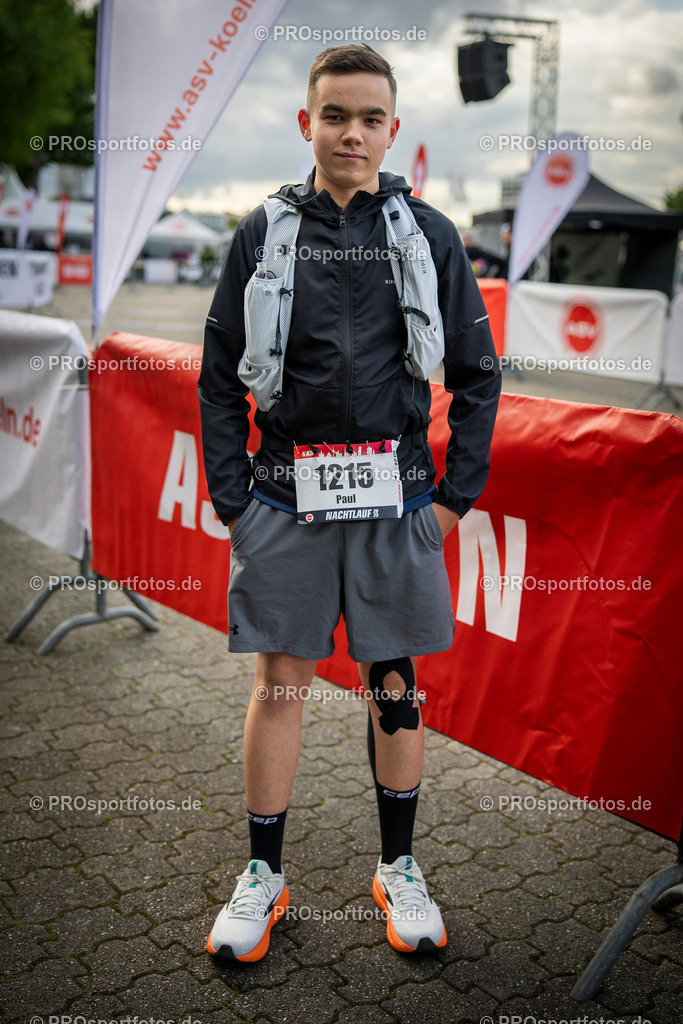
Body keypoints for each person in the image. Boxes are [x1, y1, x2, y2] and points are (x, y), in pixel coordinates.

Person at [198, 44, 501, 963]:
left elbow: (479, 375)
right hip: (285, 500)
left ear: (392, 130)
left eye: (370, 118)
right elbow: (219, 380)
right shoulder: (261, 232)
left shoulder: (431, 234)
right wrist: (233, 500)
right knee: (278, 686)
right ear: (307, 124)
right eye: (335, 115)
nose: (352, 133)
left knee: (395, 689)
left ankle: (398, 868)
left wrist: (453, 500)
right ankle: (263, 876)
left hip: (398, 503)